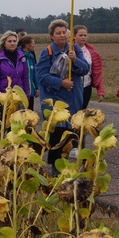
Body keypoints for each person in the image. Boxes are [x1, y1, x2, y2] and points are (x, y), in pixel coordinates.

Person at [35, 19, 89, 169]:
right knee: (57, 132)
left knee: (70, 132)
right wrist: (61, 83)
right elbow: (42, 77)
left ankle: (65, 163)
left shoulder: (75, 49)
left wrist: (75, 60)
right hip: (54, 98)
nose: (62, 35)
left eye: (63, 32)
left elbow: (85, 69)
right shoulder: (48, 52)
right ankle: (55, 165)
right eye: (58, 33)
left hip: (73, 97)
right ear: (52, 36)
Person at [72, 25, 105, 109]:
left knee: (82, 112)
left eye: (85, 35)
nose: (83, 37)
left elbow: (97, 73)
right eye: (80, 35)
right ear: (74, 36)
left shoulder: (92, 53)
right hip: (72, 86)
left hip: (86, 86)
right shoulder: (69, 50)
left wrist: (100, 91)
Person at [0, 30, 30, 97]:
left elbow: (25, 77)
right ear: (4, 43)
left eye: (14, 41)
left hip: (19, 96)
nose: (12, 43)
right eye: (9, 41)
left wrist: (27, 94)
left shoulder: (22, 57)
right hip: (4, 96)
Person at [18, 35, 38, 110]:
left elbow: (34, 74)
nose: (34, 45)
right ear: (27, 45)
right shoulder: (19, 56)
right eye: (33, 43)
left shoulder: (31, 57)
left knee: (30, 113)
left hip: (31, 92)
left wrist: (37, 87)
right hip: (22, 92)